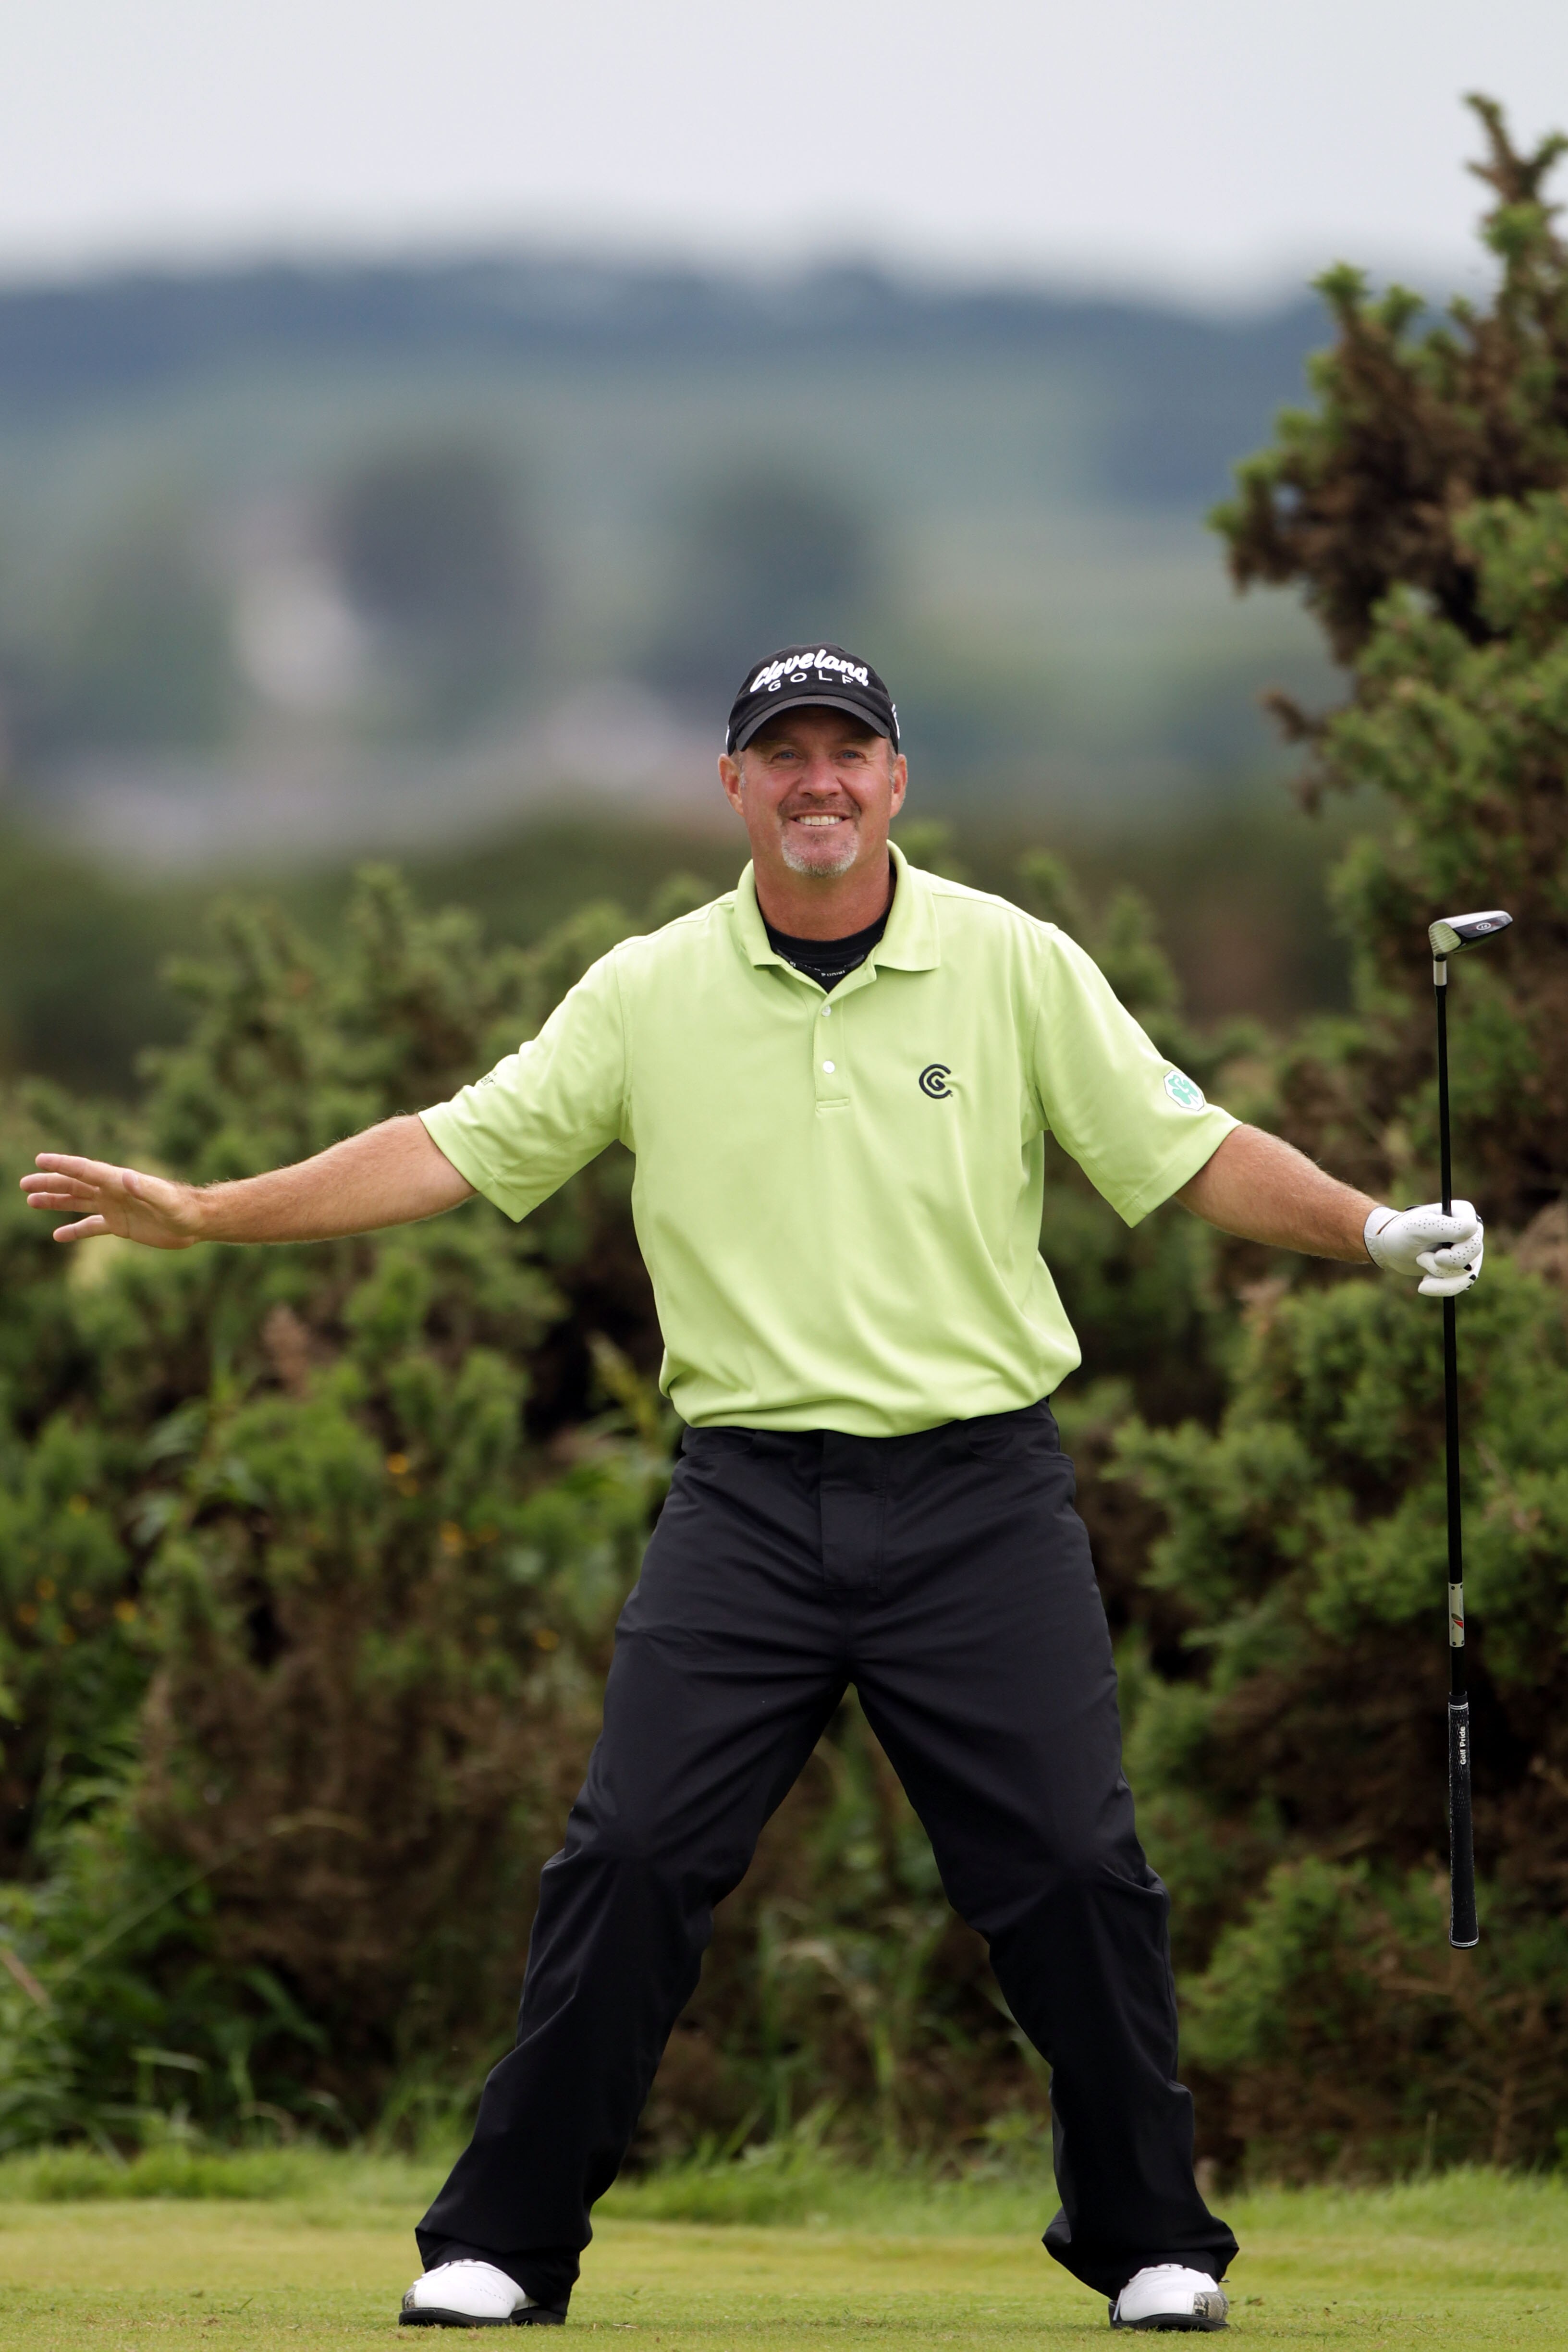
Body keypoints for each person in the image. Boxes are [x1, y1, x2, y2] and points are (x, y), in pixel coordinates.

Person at [23, 643, 1483, 2334]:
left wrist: (1374, 1229)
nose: (816, 784)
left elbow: (1187, 1146)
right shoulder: (647, 990)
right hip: (747, 1504)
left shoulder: (1013, 965)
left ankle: (1153, 2238)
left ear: (895, 779)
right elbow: (450, 1144)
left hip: (979, 1498)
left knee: (1079, 1870)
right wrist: (209, 1211)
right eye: (780, 755)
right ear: (733, 789)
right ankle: (499, 2245)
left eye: (845, 753)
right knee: (632, 1855)